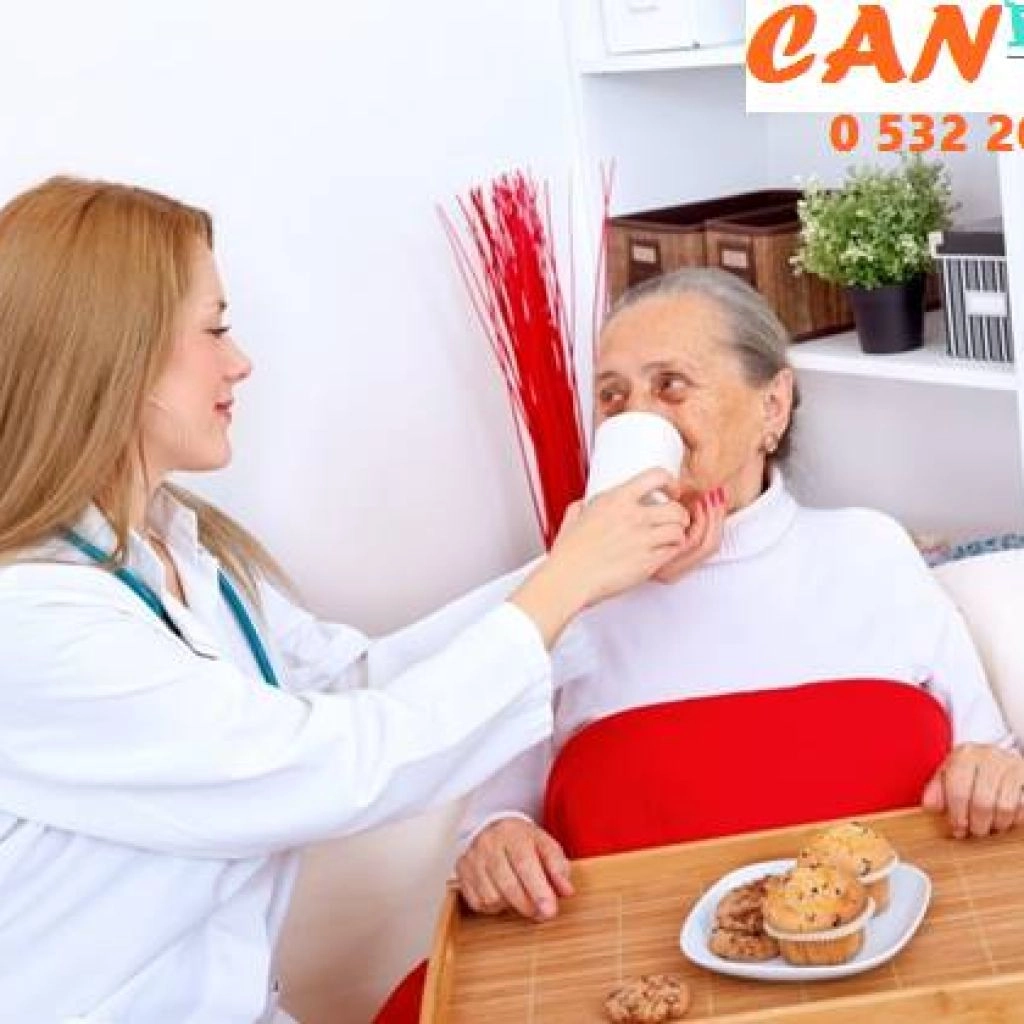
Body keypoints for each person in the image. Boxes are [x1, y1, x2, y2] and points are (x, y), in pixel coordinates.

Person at [0, 176, 700, 1023]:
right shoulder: (35, 626)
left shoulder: (175, 546)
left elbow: (350, 682)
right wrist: (570, 581)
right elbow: (334, 765)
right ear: (113, 351)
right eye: (214, 328)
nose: (240, 361)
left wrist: (585, 568)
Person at [455, 267, 1023, 924]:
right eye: (613, 397)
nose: (638, 416)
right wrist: (496, 841)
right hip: (631, 963)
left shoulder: (873, 551)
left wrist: (992, 773)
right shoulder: (563, 597)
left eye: (671, 385)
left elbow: (993, 760)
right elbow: (491, 823)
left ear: (773, 405)